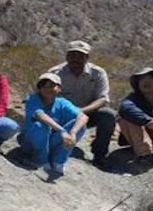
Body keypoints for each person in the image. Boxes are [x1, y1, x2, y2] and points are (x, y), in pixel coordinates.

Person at [49, 40, 116, 169]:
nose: (76, 59)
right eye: (72, 55)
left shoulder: (98, 73)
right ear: (67, 56)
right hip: (61, 114)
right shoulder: (55, 73)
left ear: (87, 58)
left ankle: (99, 155)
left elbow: (103, 99)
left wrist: (81, 111)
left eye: (80, 56)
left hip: (87, 113)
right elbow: (45, 95)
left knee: (108, 115)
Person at [19, 73, 89, 176]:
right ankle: (40, 160)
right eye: (44, 86)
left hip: (51, 141)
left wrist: (73, 133)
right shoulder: (33, 99)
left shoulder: (62, 103)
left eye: (52, 85)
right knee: (40, 125)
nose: (48, 89)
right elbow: (40, 115)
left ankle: (58, 161)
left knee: (80, 126)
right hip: (31, 141)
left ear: (59, 88)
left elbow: (83, 116)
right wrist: (62, 131)